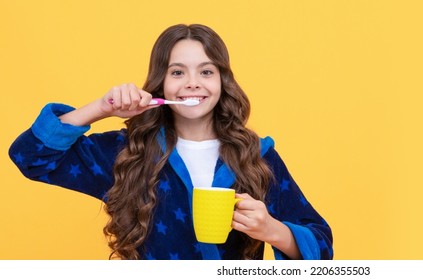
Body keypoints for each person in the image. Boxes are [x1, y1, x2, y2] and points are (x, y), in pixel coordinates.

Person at [9, 24, 333, 260]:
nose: (193, 83)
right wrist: (100, 109)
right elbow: (29, 156)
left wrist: (273, 231)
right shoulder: (128, 154)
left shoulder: (257, 157)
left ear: (223, 81)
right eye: (178, 73)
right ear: (161, 83)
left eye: (206, 72)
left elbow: (322, 245)